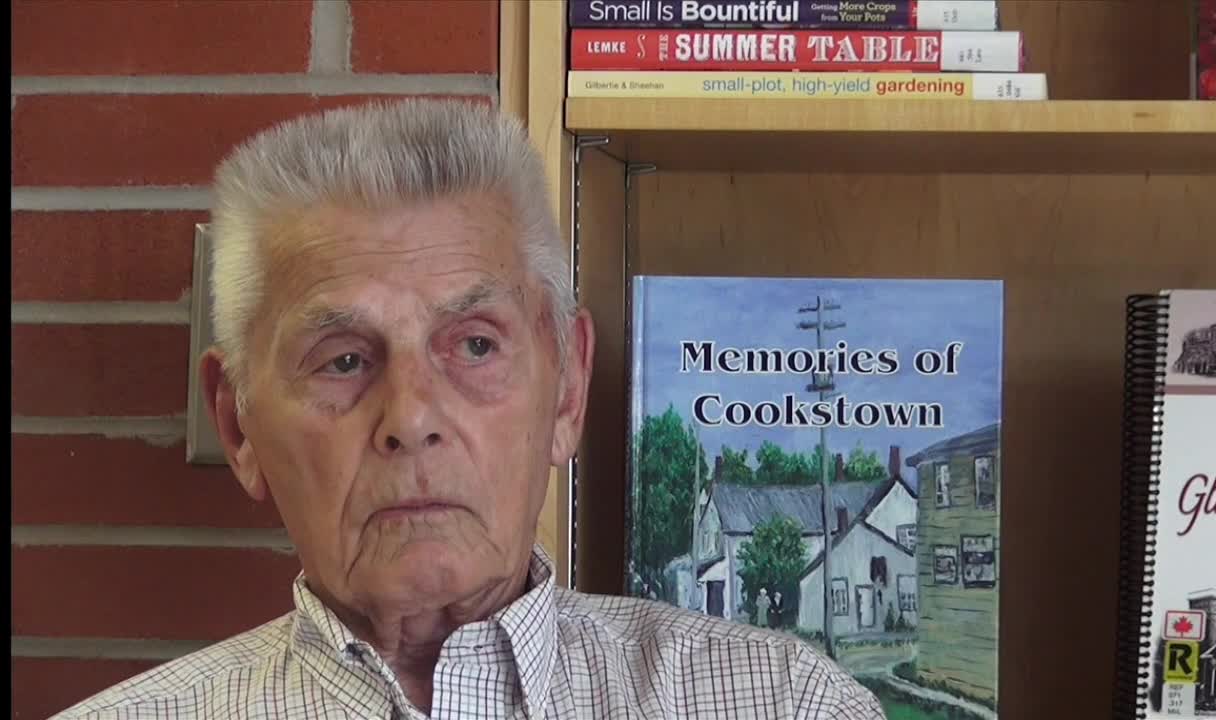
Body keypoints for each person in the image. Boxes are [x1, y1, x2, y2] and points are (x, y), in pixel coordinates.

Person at [51, 98, 885, 720]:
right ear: (239, 427)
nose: (411, 418)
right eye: (343, 359)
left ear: (567, 389)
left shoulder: (788, 703)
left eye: (476, 346)